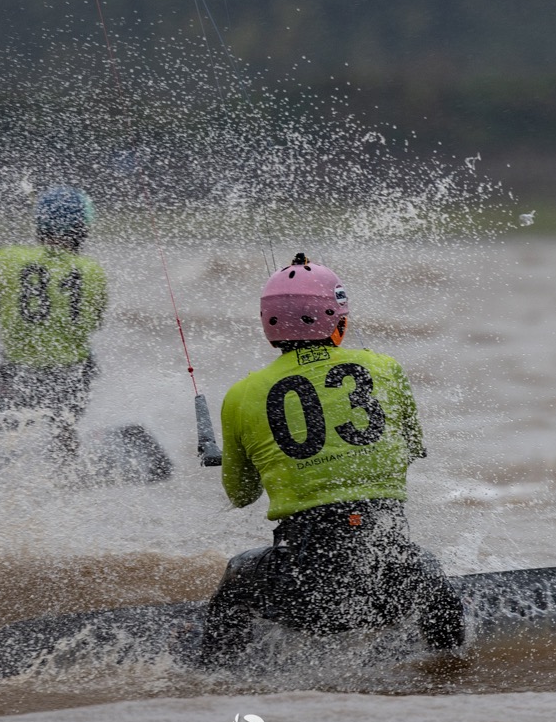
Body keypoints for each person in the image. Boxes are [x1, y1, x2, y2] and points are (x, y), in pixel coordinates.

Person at [199, 253, 466, 666]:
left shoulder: (241, 395)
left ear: (269, 325)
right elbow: (410, 448)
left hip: (303, 596)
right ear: (336, 320)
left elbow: (240, 494)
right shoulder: (386, 368)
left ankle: (213, 673)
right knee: (428, 570)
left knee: (239, 570)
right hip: (388, 583)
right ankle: (449, 663)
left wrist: (246, 455)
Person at [0, 186, 108, 464]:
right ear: (82, 229)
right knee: (63, 423)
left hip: (18, 377)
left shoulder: (6, 258)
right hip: (74, 378)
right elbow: (93, 322)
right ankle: (67, 467)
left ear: (39, 225)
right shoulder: (93, 270)